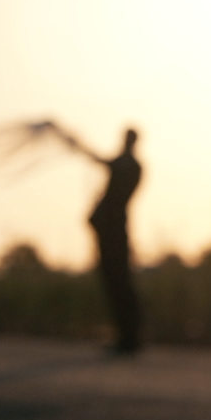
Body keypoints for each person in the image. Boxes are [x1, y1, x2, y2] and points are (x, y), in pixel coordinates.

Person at [46, 124, 143, 354]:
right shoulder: (128, 164)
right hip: (113, 230)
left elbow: (103, 161)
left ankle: (129, 338)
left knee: (118, 282)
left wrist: (75, 142)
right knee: (116, 282)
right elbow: (103, 161)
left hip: (114, 232)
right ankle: (127, 336)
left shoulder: (128, 164)